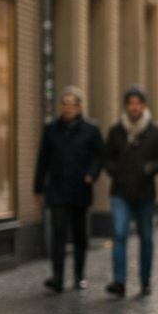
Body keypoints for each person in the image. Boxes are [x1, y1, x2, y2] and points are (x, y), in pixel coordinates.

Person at [103, 85, 158, 297]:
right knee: (119, 234)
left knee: (146, 238)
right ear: (126, 106)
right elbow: (106, 158)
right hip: (120, 192)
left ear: (143, 106)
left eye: (138, 103)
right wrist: (116, 171)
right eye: (131, 104)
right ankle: (119, 282)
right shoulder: (116, 131)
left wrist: (149, 168)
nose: (134, 107)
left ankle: (145, 281)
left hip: (145, 193)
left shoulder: (155, 132)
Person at [34, 87, 103, 293]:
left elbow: (99, 156)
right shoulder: (51, 129)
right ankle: (58, 277)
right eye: (65, 104)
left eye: (72, 104)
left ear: (79, 107)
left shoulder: (91, 129)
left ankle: (79, 275)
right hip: (57, 189)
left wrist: (91, 174)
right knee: (59, 233)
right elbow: (43, 159)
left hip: (80, 189)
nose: (68, 108)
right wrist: (38, 187)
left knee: (80, 234)